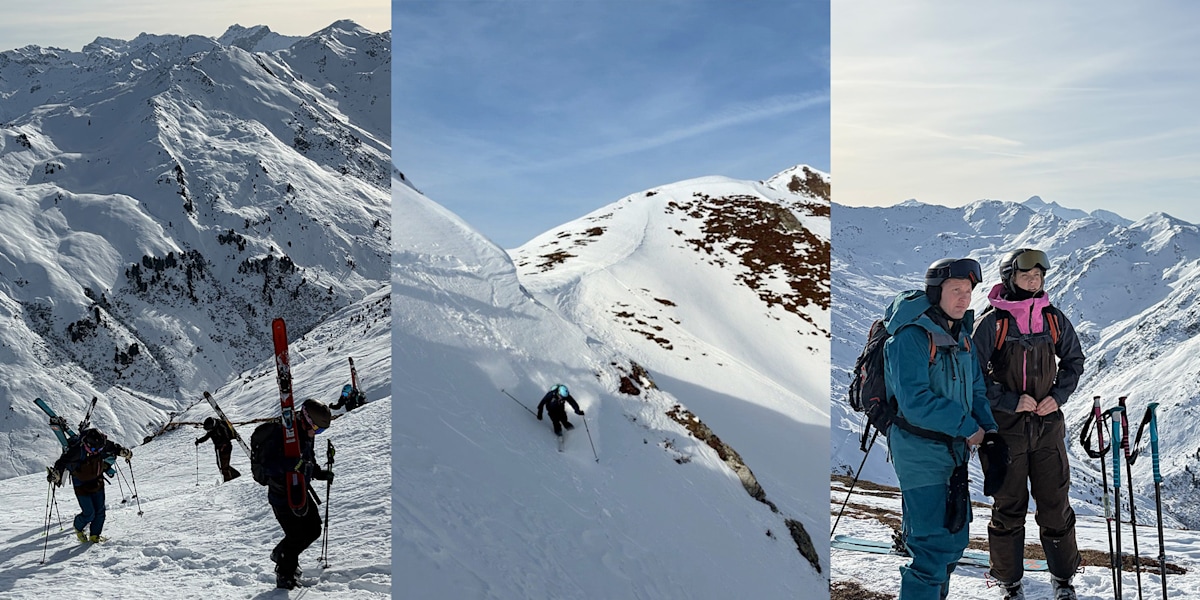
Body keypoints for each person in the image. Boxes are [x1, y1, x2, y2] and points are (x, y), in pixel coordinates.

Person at [972, 249, 1085, 600]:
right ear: (1010, 278)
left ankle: (1063, 579)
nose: (1033, 280)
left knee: (1055, 505)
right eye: (1026, 275)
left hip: (1048, 428)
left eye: (1038, 275)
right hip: (1007, 431)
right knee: (1009, 508)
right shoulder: (994, 322)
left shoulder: (1053, 318)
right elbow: (972, 375)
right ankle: (1009, 584)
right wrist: (1009, 400)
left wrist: (1057, 396)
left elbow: (1074, 361)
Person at [883, 258, 999, 600]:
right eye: (955, 290)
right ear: (936, 292)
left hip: (953, 453)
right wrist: (968, 428)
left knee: (952, 543)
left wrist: (989, 432)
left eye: (968, 291)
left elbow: (976, 389)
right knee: (931, 548)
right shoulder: (910, 337)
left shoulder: (961, 334)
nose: (964, 298)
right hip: (920, 454)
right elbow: (915, 401)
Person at [255, 399, 334, 590]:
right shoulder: (281, 434)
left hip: (301, 491)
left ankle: (281, 553)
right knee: (296, 536)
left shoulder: (307, 434)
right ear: (306, 419)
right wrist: (289, 465)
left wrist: (318, 473)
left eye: (320, 431)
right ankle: (285, 574)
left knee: (314, 529)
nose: (316, 433)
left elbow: (307, 460)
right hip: (281, 495)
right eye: (316, 428)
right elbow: (268, 467)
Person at [48, 428, 132, 543]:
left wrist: (123, 451)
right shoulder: (77, 451)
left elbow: (113, 448)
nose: (97, 451)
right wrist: (56, 473)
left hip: (97, 481)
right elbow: (62, 462)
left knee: (100, 512)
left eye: (100, 449)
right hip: (81, 485)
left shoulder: (100, 444)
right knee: (89, 513)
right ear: (87, 444)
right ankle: (78, 527)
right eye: (94, 449)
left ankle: (95, 536)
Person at [195, 416, 241, 482]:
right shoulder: (212, 429)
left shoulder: (221, 427)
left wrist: (223, 446)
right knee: (220, 465)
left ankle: (228, 481)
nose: (209, 431)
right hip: (219, 448)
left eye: (209, 429)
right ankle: (235, 475)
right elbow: (206, 436)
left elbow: (226, 439)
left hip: (225, 448)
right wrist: (199, 441)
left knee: (224, 467)